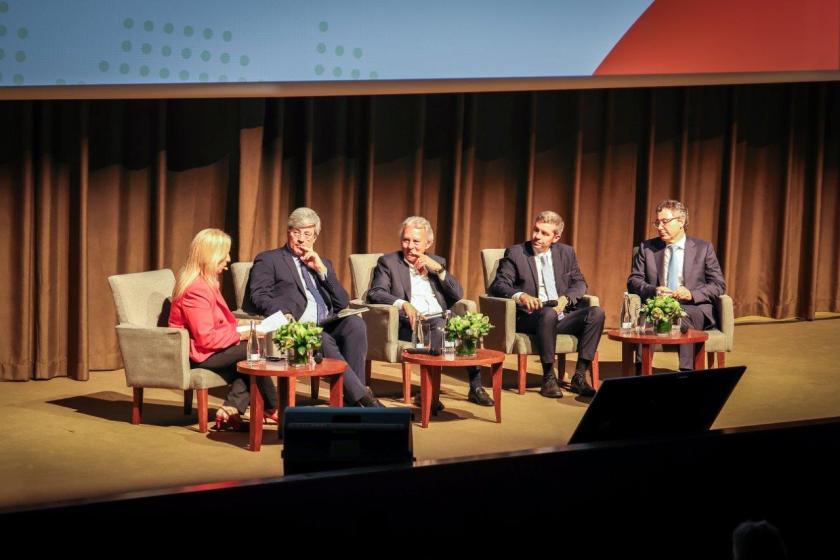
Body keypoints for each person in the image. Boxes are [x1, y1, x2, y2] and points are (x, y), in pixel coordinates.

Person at [244, 207, 382, 407]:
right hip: (300, 328)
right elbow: (258, 295)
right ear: (288, 233)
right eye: (296, 232)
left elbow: (341, 303)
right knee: (322, 339)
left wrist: (322, 271)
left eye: (307, 234)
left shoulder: (322, 262)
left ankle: (354, 396)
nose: (301, 239)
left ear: (315, 238)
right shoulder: (269, 259)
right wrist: (284, 313)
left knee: (355, 325)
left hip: (327, 321)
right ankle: (363, 399)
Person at [366, 216, 495, 410]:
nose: (410, 246)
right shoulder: (388, 262)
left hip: (441, 319)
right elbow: (376, 292)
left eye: (416, 241)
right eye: (406, 240)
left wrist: (440, 271)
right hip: (410, 324)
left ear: (428, 243)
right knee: (441, 328)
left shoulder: (436, 262)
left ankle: (475, 387)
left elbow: (457, 294)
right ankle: (429, 393)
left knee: (468, 325)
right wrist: (403, 304)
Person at [168, 228, 279, 430]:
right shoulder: (196, 289)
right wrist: (245, 333)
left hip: (211, 350)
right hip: (197, 355)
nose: (228, 259)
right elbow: (206, 338)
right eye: (224, 254)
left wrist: (244, 326)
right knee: (252, 350)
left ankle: (230, 410)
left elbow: (218, 323)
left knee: (249, 357)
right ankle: (273, 408)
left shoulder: (208, 283)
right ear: (210, 256)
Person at [488, 211, 604, 398]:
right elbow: (499, 285)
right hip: (530, 316)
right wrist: (521, 295)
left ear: (556, 237)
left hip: (561, 313)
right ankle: (548, 377)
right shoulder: (516, 253)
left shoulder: (566, 252)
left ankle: (579, 376)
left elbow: (580, 282)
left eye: (544, 233)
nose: (537, 236)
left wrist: (566, 299)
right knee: (548, 313)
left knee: (596, 313)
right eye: (536, 230)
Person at [627, 199, 726, 371]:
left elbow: (718, 284)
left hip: (693, 307)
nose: (659, 227)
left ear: (681, 221)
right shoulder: (647, 248)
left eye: (664, 222)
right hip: (657, 305)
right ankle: (641, 374)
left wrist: (692, 294)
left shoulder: (703, 248)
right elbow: (633, 281)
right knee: (644, 317)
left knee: (682, 315)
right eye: (657, 222)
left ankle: (687, 373)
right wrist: (654, 290)